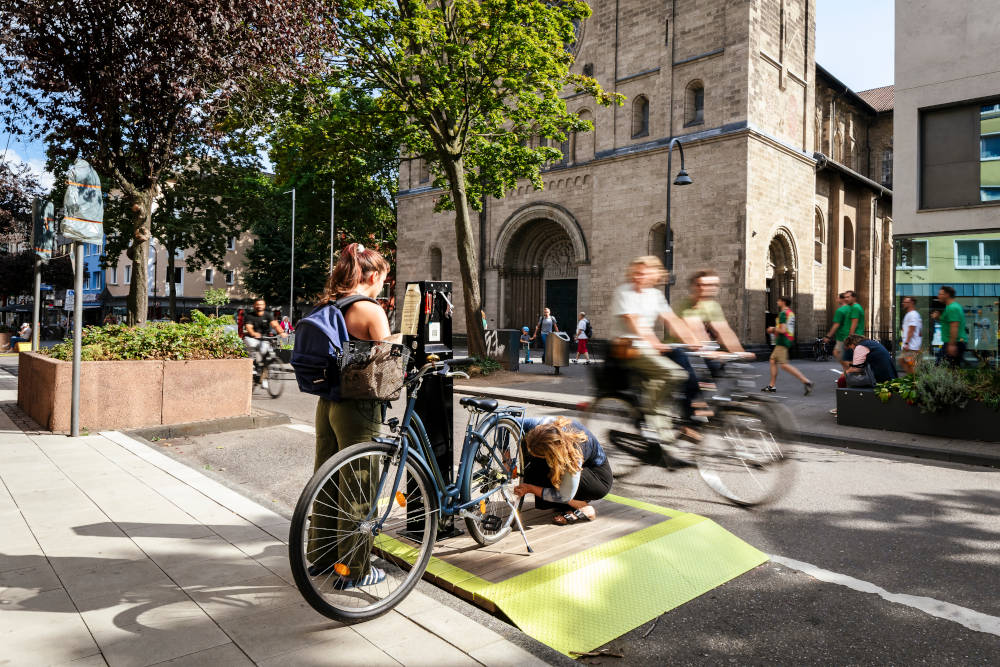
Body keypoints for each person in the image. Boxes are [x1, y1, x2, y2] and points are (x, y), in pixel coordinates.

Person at [310, 243, 392, 589]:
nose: (381, 288)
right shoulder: (369, 309)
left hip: (326, 404)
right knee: (358, 487)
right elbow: (387, 367)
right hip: (357, 408)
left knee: (326, 480)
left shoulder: (329, 305)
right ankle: (356, 569)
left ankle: (321, 556)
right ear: (372, 275)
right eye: (383, 281)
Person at [610, 256, 698, 448]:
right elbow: (633, 322)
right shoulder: (624, 292)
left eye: (644, 272)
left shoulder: (655, 295)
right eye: (637, 272)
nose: (639, 276)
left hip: (646, 348)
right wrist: (655, 343)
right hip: (627, 347)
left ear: (654, 274)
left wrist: (693, 340)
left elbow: (672, 320)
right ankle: (650, 416)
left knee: (683, 369)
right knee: (673, 373)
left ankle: (674, 420)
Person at [513, 416, 613, 525]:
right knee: (532, 466)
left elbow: (564, 495)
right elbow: (504, 420)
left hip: (597, 479)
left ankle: (581, 505)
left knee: (555, 480)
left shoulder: (574, 452)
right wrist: (507, 461)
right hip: (568, 465)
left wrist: (530, 489)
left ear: (552, 452)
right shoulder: (538, 423)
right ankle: (568, 504)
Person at [681, 270, 755, 359]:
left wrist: (739, 351)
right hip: (683, 351)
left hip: (705, 351)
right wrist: (709, 352)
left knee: (717, 367)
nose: (711, 288)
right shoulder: (687, 307)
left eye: (714, 285)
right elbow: (697, 330)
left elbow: (724, 331)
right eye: (706, 285)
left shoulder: (712, 306)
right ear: (695, 287)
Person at [762, 296, 813, 395]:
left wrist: (772, 329)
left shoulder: (783, 314)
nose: (777, 302)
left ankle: (807, 382)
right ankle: (771, 386)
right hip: (786, 340)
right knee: (772, 360)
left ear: (783, 302)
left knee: (784, 365)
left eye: (779, 301)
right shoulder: (790, 312)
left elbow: (782, 330)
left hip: (782, 341)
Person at [243, 299, 287, 376]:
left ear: (264, 305)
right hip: (251, 339)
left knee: (266, 353)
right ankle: (252, 366)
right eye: (258, 304)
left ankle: (263, 375)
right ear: (254, 305)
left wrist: (281, 332)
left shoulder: (268, 315)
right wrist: (254, 333)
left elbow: (275, 325)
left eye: (261, 304)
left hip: (263, 339)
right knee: (254, 348)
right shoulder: (250, 316)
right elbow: (249, 327)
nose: (259, 306)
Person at [822, 293, 854, 372]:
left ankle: (852, 370)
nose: (836, 300)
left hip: (842, 337)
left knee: (837, 353)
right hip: (851, 336)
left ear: (842, 299)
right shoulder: (851, 309)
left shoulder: (840, 310)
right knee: (848, 357)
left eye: (838, 298)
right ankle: (848, 375)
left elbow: (836, 325)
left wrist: (828, 336)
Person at [936, 286, 966, 367]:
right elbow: (948, 324)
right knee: (952, 369)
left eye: (940, 294)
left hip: (954, 343)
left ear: (947, 295)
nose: (938, 296)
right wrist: (938, 318)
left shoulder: (952, 308)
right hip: (953, 342)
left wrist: (952, 345)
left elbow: (954, 326)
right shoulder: (951, 307)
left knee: (939, 368)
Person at [899, 297, 922, 374]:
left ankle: (913, 380)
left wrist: (907, 343)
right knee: (903, 361)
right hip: (910, 345)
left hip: (911, 345)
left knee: (910, 364)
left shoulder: (913, 314)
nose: (903, 303)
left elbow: (912, 329)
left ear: (911, 303)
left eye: (906, 302)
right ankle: (911, 379)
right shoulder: (910, 314)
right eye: (903, 302)